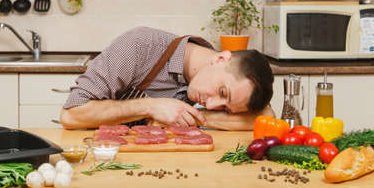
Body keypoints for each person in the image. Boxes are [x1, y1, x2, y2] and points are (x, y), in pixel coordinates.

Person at [60, 26, 275, 130]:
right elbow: (71, 115)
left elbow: (268, 116)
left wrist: (195, 117)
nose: (211, 104)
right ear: (220, 58)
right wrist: (150, 107)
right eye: (222, 92)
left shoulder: (208, 76)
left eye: (225, 109)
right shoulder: (139, 46)